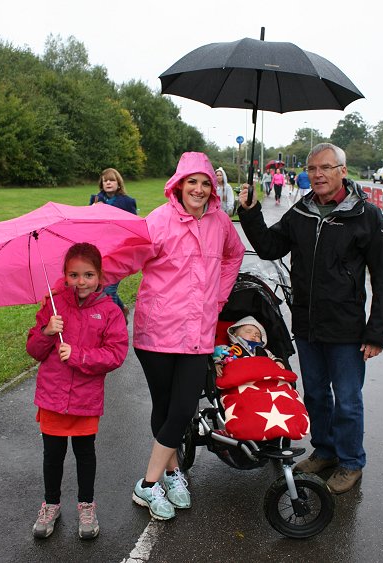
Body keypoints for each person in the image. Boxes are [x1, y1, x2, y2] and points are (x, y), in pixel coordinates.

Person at [238, 143, 383, 494]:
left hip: (346, 328)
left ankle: (351, 460)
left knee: (348, 398)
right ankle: (325, 451)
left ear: (343, 170)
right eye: (312, 168)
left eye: (325, 167)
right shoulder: (302, 211)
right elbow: (268, 246)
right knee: (316, 396)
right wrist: (249, 213)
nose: (318, 174)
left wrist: (376, 332)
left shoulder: (365, 215)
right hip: (307, 324)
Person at [102, 152, 245, 520]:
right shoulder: (159, 220)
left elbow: (234, 254)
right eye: (191, 181)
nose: (198, 189)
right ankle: (170, 472)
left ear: (213, 188)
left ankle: (147, 485)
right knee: (165, 408)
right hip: (157, 333)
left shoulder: (219, 221)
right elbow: (124, 260)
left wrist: (220, 295)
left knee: (183, 408)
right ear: (178, 184)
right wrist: (88, 275)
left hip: (197, 332)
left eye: (205, 183)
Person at [27, 243, 128, 539]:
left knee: (85, 453)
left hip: (86, 398)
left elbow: (115, 354)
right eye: (73, 275)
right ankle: (51, 504)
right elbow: (33, 349)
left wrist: (80, 355)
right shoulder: (54, 305)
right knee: (53, 454)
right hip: (52, 396)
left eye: (88, 275)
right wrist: (47, 331)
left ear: (99, 276)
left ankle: (86, 505)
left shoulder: (109, 311)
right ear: (64, 275)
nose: (80, 282)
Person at [90, 168, 137, 322]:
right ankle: (122, 309)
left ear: (118, 183)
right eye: (105, 180)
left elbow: (134, 226)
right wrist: (93, 211)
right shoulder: (96, 199)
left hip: (119, 252)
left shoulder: (127, 201)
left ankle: (118, 321)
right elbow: (90, 224)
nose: (108, 182)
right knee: (103, 287)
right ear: (101, 184)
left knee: (109, 289)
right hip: (100, 252)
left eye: (112, 180)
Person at [212, 316, 285, 376]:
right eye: (248, 331)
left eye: (257, 335)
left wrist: (277, 362)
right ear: (234, 334)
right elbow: (215, 355)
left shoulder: (264, 351)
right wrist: (217, 365)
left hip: (263, 377)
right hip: (238, 378)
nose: (254, 335)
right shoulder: (227, 349)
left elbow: (273, 358)